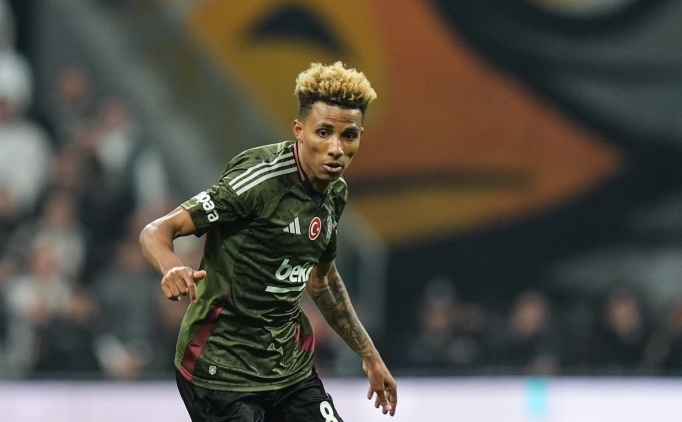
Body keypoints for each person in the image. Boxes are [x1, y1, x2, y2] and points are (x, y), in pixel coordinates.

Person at [139, 61, 397, 421]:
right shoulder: (259, 182)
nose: (336, 148)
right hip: (219, 370)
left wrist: (369, 355)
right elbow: (156, 231)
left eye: (348, 135)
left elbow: (322, 281)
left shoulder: (335, 193)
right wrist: (171, 267)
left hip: (289, 371)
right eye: (324, 132)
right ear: (299, 130)